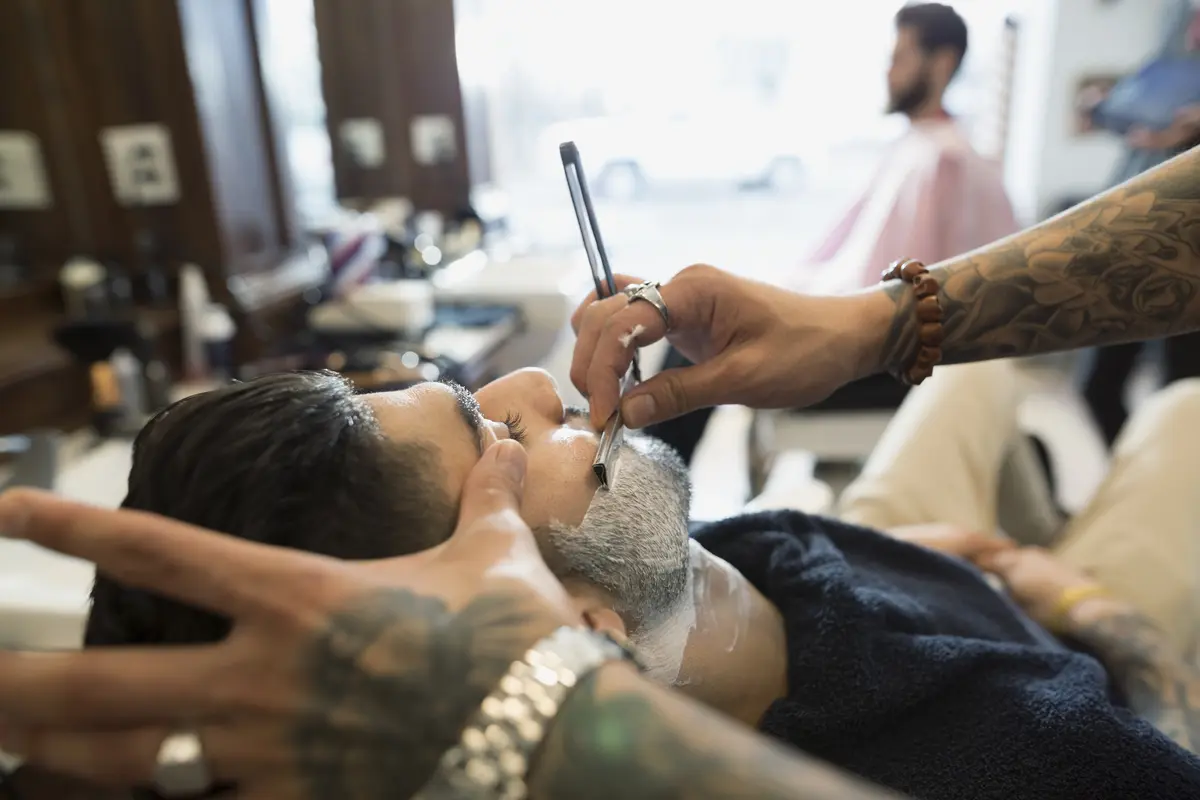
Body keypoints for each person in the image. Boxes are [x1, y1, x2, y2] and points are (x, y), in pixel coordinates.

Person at [1, 136, 1200, 800]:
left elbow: (827, 558)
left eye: (475, 392)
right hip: (1086, 658)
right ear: (567, 628)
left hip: (921, 586)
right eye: (496, 440)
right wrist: (1103, 620)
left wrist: (881, 325)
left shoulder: (693, 567)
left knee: (979, 375)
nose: (535, 384)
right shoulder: (1048, 759)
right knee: (1186, 416)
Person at [649, 2, 1018, 465]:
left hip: (889, 357)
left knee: (697, 349)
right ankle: (644, 489)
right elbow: (843, 260)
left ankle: (642, 498)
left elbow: (908, 299)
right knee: (698, 320)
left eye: (900, 58)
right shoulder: (914, 146)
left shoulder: (947, 161)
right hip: (861, 325)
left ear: (941, 63)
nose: (888, 71)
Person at [1081, 0, 1200, 444]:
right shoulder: (1178, 17)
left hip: (1190, 239)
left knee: (1181, 393)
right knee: (1096, 385)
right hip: (1138, 224)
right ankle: (1139, 483)